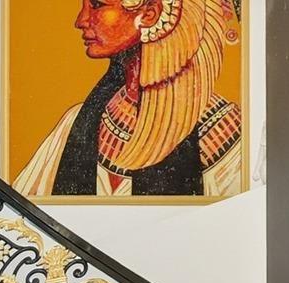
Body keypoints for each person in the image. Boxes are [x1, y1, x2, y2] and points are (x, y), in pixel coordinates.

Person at [13, 0, 248, 201]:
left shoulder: (224, 131)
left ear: (150, 14)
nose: (81, 20)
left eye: (97, 4)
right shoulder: (73, 122)